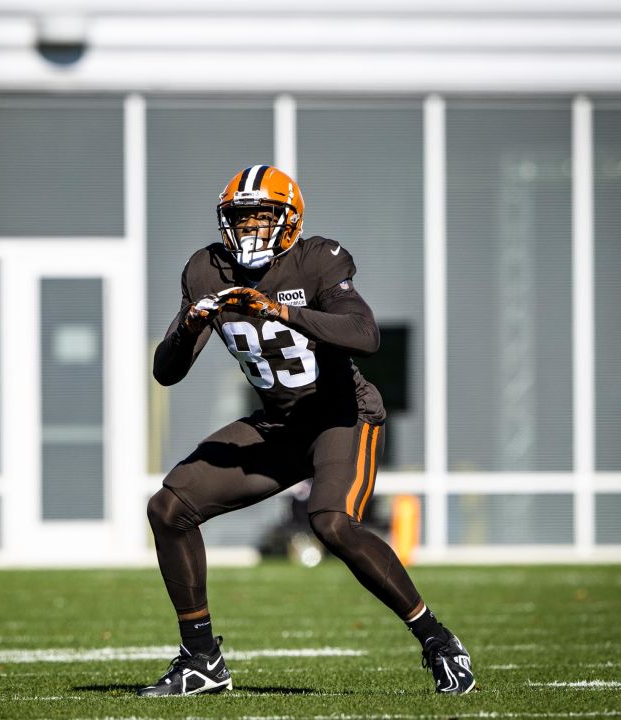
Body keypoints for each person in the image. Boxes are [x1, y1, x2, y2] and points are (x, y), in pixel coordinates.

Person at [138, 165, 474, 696]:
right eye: (240, 220)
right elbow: (167, 371)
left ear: (288, 221)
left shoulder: (318, 259)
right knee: (168, 509)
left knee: (331, 524)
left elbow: (364, 335)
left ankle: (437, 639)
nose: (250, 231)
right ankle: (201, 660)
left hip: (342, 415)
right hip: (278, 423)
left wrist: (280, 312)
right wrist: (191, 324)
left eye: (261, 218)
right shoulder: (206, 270)